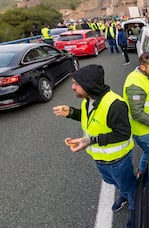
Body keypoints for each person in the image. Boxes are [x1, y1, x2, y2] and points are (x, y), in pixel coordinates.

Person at [52, 64, 136, 225]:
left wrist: (90, 140)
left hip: (117, 160)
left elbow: (123, 133)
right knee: (116, 183)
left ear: (89, 85)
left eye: (76, 84)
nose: (73, 87)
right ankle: (124, 196)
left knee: (129, 185)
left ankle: (134, 208)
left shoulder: (116, 104)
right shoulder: (88, 100)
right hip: (100, 158)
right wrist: (71, 112)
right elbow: (91, 119)